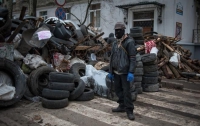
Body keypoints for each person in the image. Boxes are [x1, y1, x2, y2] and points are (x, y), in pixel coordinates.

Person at [108, 22, 136, 120]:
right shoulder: (115, 43)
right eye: (116, 30)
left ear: (124, 31)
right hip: (116, 72)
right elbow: (112, 57)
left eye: (119, 30)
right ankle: (121, 106)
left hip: (125, 72)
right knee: (118, 90)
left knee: (126, 92)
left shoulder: (129, 42)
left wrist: (131, 72)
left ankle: (129, 110)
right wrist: (110, 71)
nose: (117, 32)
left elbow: (132, 58)